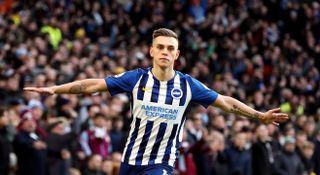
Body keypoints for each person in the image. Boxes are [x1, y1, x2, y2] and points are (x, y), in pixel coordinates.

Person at [24, 28, 289, 175]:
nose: (165, 51)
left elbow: (226, 103)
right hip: (130, 160)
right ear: (152, 51)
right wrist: (55, 90)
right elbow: (92, 85)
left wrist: (259, 116)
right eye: (160, 47)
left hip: (161, 163)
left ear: (177, 54)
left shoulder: (188, 85)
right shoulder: (135, 79)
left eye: (170, 48)